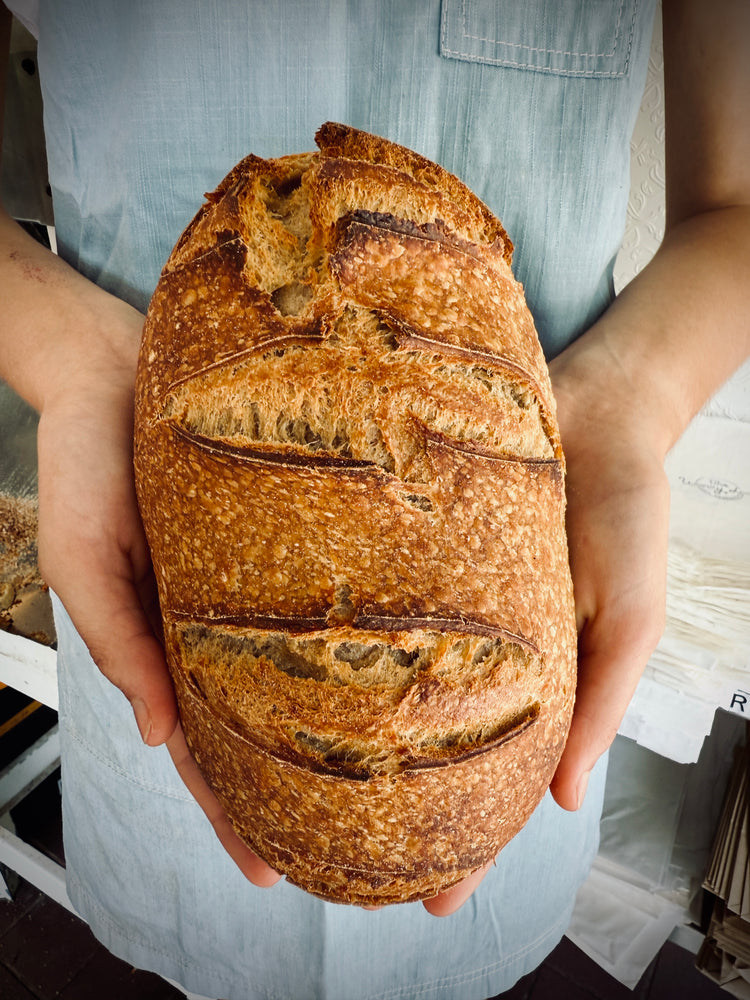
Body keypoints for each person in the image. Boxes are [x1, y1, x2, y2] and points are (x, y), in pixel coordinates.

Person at [1, 1, 748, 997]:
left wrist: (636, 396)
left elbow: (735, 205)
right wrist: (62, 358)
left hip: (518, 672)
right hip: (169, 597)